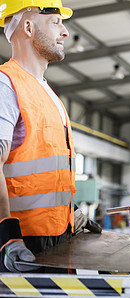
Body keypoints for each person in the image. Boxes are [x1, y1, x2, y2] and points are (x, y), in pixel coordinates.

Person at [0, 0, 101, 273]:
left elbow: (42, 171)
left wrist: (73, 213)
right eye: (56, 22)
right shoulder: (5, 85)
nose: (65, 32)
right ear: (29, 27)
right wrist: (6, 236)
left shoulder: (48, 94)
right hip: (19, 248)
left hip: (57, 242)